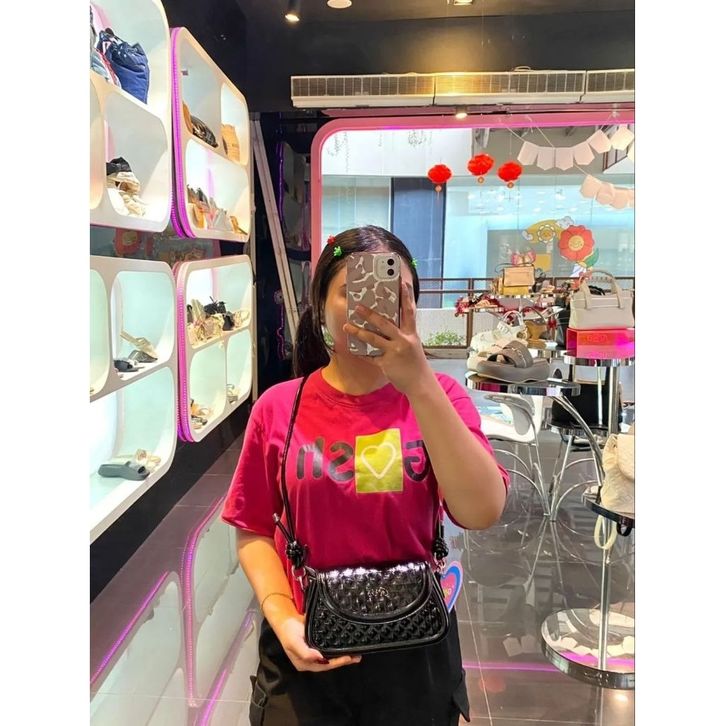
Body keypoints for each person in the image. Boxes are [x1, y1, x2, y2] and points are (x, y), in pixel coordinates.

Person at [222, 225, 509, 726]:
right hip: (307, 641)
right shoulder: (279, 407)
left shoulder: (441, 397)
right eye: (354, 291)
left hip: (414, 649)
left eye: (397, 293)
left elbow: (481, 511)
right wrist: (281, 616)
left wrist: (419, 383)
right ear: (320, 305)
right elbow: (253, 528)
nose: (375, 306)